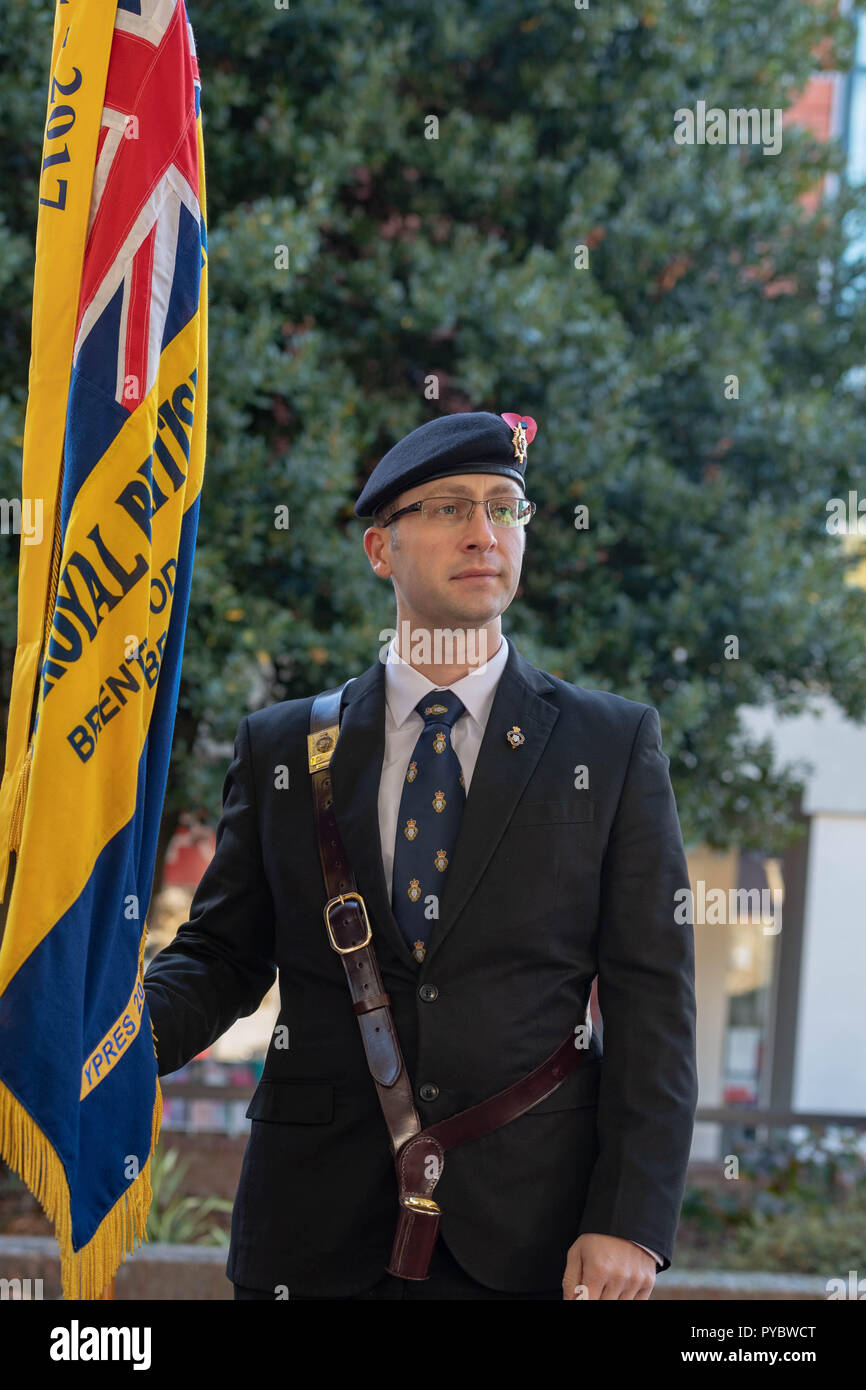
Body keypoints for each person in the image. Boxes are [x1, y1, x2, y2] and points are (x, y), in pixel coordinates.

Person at [143, 409, 698, 1301]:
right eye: (447, 508)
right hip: (313, 1232)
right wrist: (107, 1040)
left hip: (533, 1237)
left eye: (504, 509)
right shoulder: (283, 745)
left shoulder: (613, 742)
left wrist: (630, 1218)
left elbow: (653, 999)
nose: (484, 532)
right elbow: (221, 956)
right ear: (379, 549)